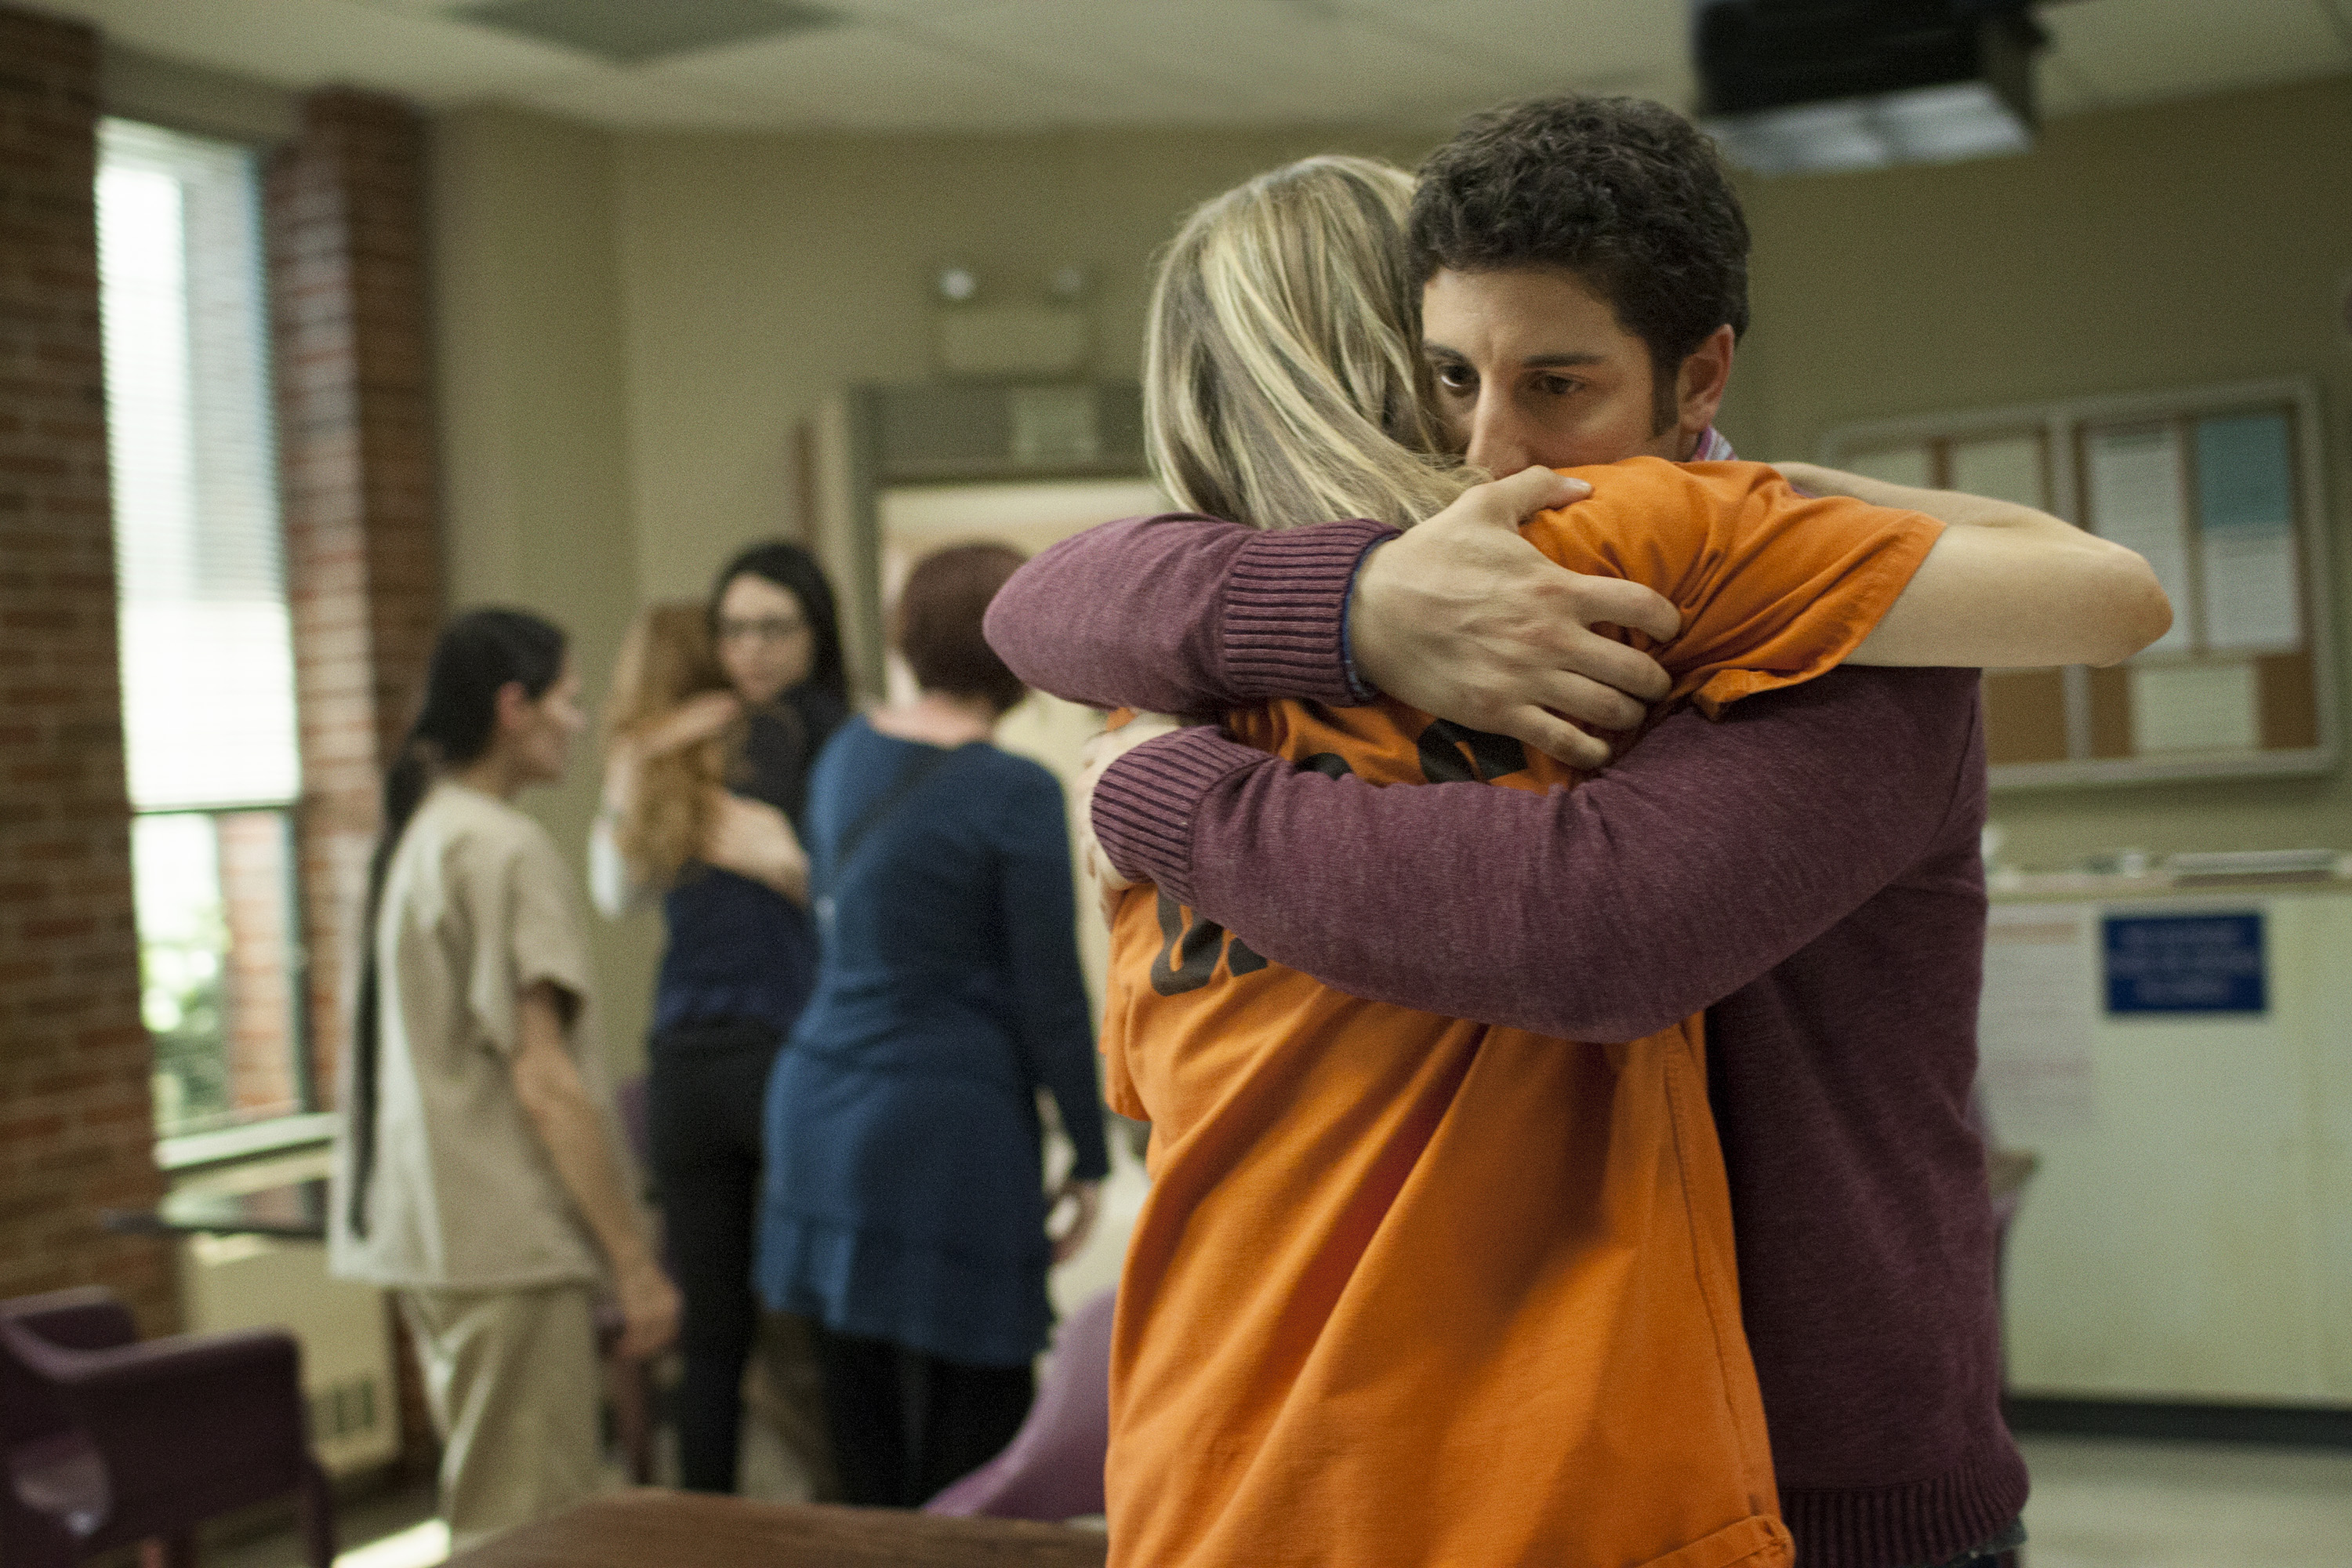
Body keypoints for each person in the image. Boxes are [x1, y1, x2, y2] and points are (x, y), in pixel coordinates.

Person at [985, 99, 2147, 1568]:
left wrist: (1153, 793)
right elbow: (1043, 599)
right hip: (1498, 1459)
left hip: (1825, 1471)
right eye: (1448, 380)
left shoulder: (1799, 610)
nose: (1486, 449)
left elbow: (1597, 926)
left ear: (1695, 375)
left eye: (1554, 382)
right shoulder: (1335, 626)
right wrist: (1355, 607)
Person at [754, 543, 1112, 1508]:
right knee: (976, 1432)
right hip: (943, 1127)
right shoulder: (1016, 792)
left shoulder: (848, 750)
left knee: (858, 1428)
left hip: (820, 1105)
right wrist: (1089, 1147)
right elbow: (1050, 995)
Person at [328, 608, 680, 1552]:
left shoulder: (427, 832)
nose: (580, 720)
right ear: (514, 707)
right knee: (528, 1524)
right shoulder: (500, 847)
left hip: (438, 1236)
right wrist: (634, 1262)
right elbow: (546, 1081)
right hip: (506, 1242)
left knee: (491, 1502)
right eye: (569, 700)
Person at [590, 546, 849, 1497]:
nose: (752, 648)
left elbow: (868, 910)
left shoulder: (815, 739)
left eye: (774, 627)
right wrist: (637, 759)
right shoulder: (721, 739)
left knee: (777, 1323)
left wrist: (790, 866)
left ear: (815, 632)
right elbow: (618, 887)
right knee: (749, 1326)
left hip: (759, 1055)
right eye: (734, 629)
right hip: (719, 1057)